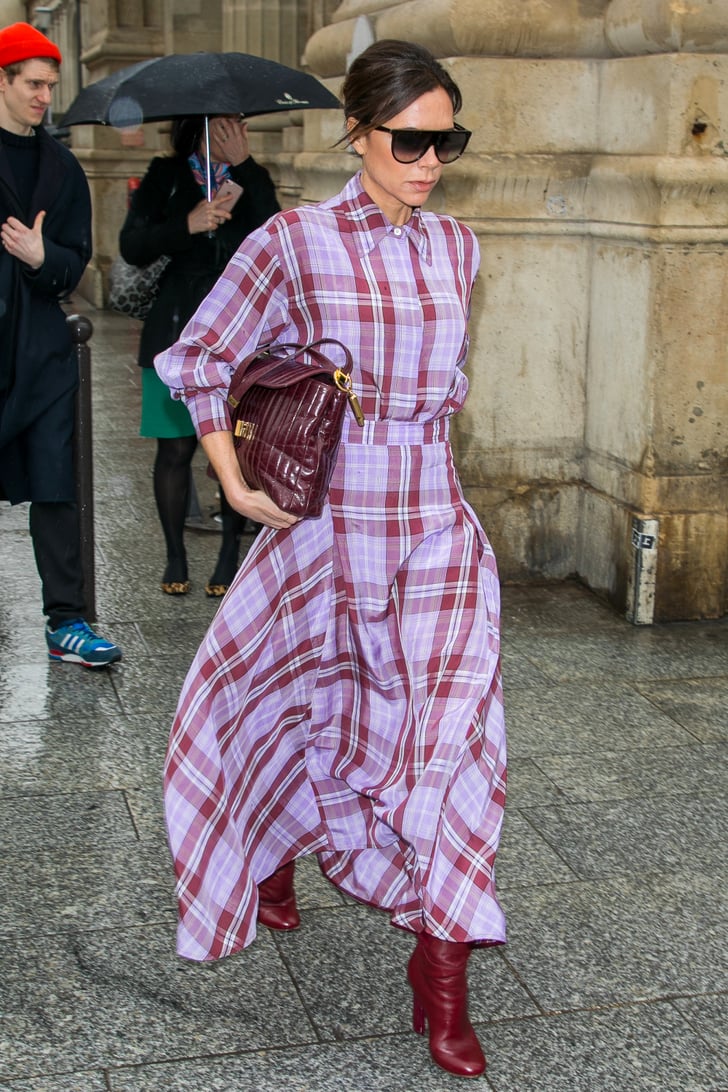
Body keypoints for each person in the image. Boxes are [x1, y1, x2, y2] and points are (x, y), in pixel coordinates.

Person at [157, 40, 506, 1079]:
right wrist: (229, 480)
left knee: (452, 743)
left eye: (446, 139)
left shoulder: (459, 248)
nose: (429, 159)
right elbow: (203, 357)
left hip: (435, 526)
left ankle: (439, 976)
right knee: (282, 703)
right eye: (409, 139)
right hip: (325, 527)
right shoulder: (294, 241)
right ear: (356, 132)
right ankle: (268, 851)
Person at [0, 22, 122, 668]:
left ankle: (68, 622)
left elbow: (74, 265)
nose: (45, 97)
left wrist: (41, 256)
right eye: (33, 84)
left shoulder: (63, 167)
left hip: (43, 350)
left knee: (56, 484)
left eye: (50, 85)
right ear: (2, 81)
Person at [119, 114, 279, 596]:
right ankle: (175, 553)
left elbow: (278, 237)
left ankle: (230, 551)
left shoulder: (251, 177)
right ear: (199, 128)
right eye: (225, 125)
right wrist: (186, 225)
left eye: (241, 124)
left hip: (237, 336)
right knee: (175, 448)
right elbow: (132, 246)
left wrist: (245, 167)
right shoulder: (165, 175)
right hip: (173, 330)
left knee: (233, 447)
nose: (236, 132)